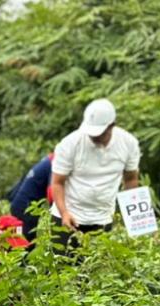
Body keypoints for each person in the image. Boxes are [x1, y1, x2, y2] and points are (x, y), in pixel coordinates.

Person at [50, 98, 141, 252]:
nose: (94, 137)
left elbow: (131, 180)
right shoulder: (70, 144)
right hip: (68, 218)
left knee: (98, 272)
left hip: (102, 219)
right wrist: (64, 213)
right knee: (64, 269)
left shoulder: (128, 143)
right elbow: (58, 182)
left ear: (111, 126)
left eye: (99, 134)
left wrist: (135, 221)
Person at [8, 153, 55, 243]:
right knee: (26, 245)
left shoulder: (48, 159)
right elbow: (52, 194)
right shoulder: (56, 162)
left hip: (19, 204)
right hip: (26, 209)